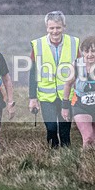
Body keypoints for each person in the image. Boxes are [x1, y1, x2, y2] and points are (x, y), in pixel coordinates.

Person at [28, 11, 80, 148]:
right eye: (51, 28)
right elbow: (33, 73)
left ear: (64, 27)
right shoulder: (37, 45)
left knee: (65, 130)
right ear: (47, 28)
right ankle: (52, 152)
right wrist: (32, 98)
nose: (55, 31)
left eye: (58, 27)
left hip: (67, 96)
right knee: (51, 128)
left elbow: (81, 69)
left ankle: (67, 154)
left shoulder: (74, 43)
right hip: (46, 96)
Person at [60, 36, 95, 148]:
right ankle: (84, 159)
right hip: (80, 105)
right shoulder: (75, 65)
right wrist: (65, 106)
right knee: (88, 138)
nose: (90, 55)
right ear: (82, 52)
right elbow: (67, 85)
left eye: (93, 51)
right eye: (86, 51)